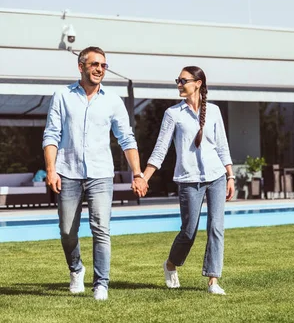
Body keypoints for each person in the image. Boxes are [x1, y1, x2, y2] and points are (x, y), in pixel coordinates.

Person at [42, 46, 148, 301]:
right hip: (68, 172)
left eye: (103, 65)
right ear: (81, 67)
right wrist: (51, 169)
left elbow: (126, 139)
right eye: (94, 64)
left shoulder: (113, 101)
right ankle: (76, 269)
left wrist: (137, 173)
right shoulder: (62, 95)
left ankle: (101, 283)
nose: (100, 69)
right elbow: (51, 134)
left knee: (101, 229)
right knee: (67, 231)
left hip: (101, 174)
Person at [142, 66, 234, 295]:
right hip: (188, 180)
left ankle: (213, 280)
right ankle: (171, 264)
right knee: (188, 231)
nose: (179, 85)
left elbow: (222, 146)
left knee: (216, 228)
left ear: (198, 83)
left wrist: (230, 175)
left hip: (216, 177)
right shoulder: (173, 114)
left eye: (183, 81)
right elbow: (161, 149)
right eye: (178, 81)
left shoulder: (214, 111)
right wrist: (144, 177)